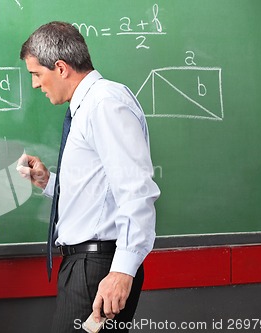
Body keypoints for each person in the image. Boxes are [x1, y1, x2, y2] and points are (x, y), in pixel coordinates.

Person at [18, 22, 160, 332]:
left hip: (97, 266)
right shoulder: (88, 107)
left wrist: (122, 271)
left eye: (36, 74)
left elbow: (136, 189)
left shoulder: (104, 104)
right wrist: (47, 182)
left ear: (60, 67)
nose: (34, 85)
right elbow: (100, 191)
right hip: (87, 264)